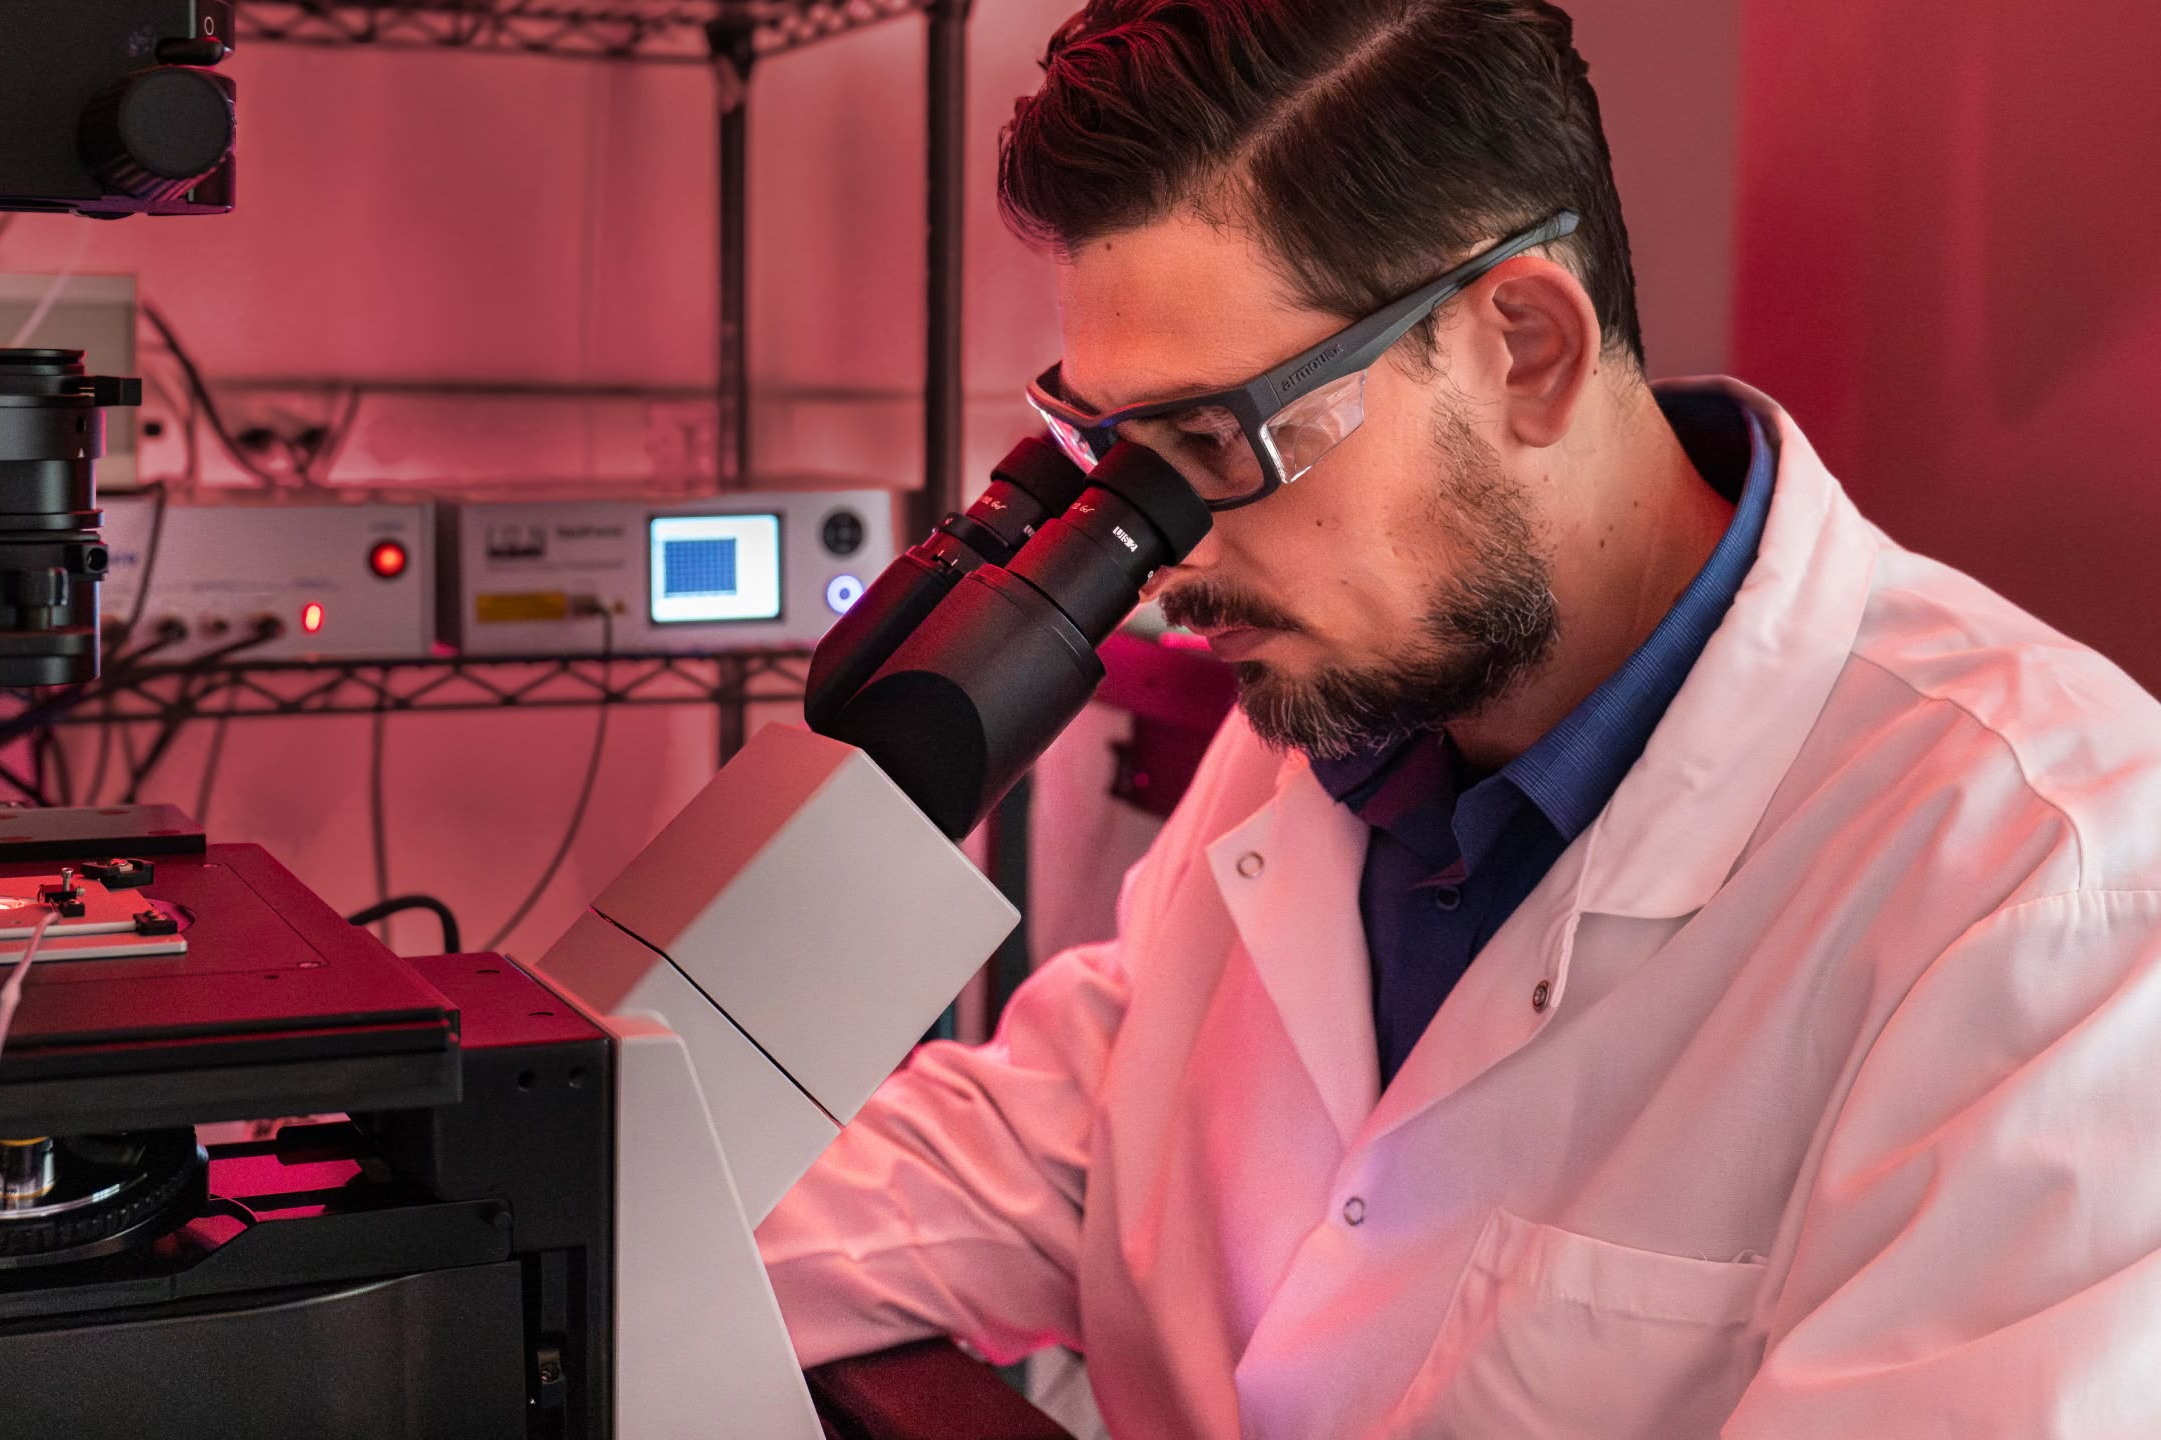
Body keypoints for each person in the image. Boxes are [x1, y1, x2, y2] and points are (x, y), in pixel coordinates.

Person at [754, 1, 2161, 1435]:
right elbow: (1052, 1148)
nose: (1167, 557)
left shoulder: (2047, 889)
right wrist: (587, 1214)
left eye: (1215, 447)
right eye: (1111, 456)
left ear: (1529, 349)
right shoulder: (1330, 734)